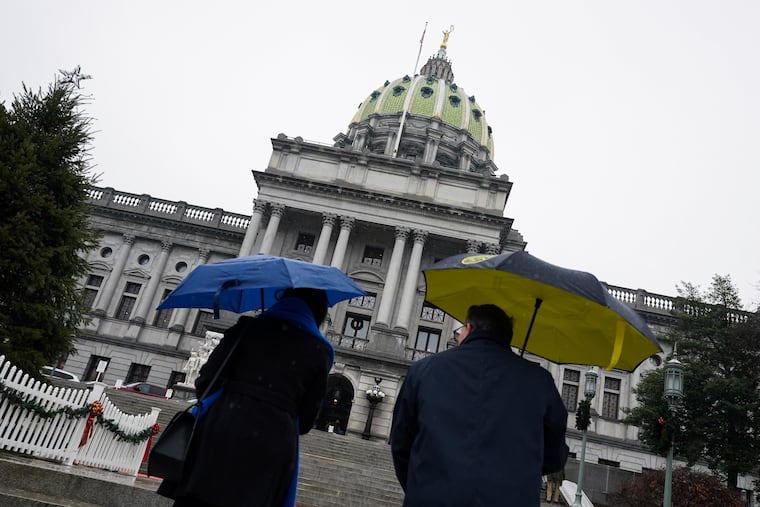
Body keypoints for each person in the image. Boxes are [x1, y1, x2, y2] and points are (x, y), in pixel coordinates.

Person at [157, 288, 334, 507]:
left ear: (284, 298)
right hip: (274, 443)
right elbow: (307, 420)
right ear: (318, 312)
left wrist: (231, 402)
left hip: (222, 426)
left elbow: (206, 380)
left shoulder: (246, 328)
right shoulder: (320, 351)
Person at [390, 304, 569, 506]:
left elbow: (400, 444)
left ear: (467, 329)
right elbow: (555, 457)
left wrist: (421, 488)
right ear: (507, 337)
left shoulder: (423, 371)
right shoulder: (540, 381)